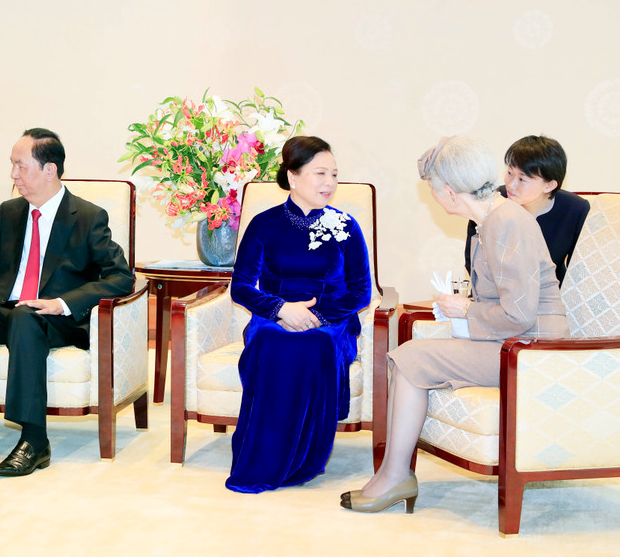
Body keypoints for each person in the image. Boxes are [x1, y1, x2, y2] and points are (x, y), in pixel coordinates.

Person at [341, 135, 569, 513]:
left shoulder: (507, 222)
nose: (432, 196)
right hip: (513, 341)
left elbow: (520, 314)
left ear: (449, 192)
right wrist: (464, 310)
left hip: (533, 348)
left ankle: (395, 476)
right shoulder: (491, 221)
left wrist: (465, 310)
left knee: (412, 359)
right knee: (407, 357)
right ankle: (392, 474)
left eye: (432, 188)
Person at [0, 128, 133, 477]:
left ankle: (34, 440)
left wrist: (63, 302)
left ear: (50, 170)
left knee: (24, 319)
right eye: (12, 166)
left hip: (56, 319)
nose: (13, 175)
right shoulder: (10, 212)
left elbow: (120, 277)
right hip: (13, 310)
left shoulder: (89, 217)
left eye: (20, 166)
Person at [226, 136, 372, 493]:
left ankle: (304, 457)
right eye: (320, 173)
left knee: (312, 347)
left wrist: (318, 317)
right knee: (274, 344)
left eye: (334, 174)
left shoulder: (346, 226)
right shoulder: (263, 224)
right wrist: (280, 310)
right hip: (272, 317)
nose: (330, 183)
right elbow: (241, 287)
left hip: (330, 321)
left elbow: (361, 292)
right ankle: (264, 457)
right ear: (293, 177)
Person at [464, 135, 589, 285]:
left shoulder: (575, 209)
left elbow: (579, 268)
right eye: (510, 173)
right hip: (496, 295)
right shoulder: (489, 201)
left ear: (549, 185)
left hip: (548, 297)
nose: (511, 185)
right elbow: (472, 260)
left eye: (522, 179)